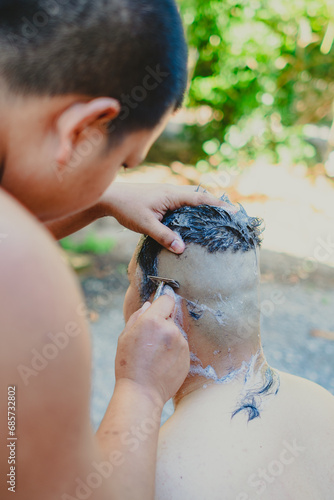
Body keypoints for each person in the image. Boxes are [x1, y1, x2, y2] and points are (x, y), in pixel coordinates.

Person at [0, 2, 234, 499]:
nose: (115, 182)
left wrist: (99, 196)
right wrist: (141, 392)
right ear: (82, 129)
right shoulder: (18, 273)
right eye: (124, 163)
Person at [125, 198, 334, 500]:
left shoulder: (159, 471)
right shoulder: (322, 403)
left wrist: (133, 387)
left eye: (130, 281)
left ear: (163, 305)